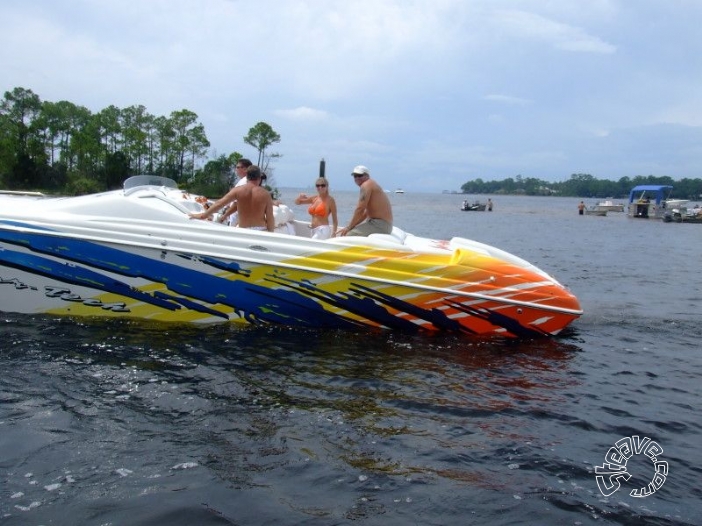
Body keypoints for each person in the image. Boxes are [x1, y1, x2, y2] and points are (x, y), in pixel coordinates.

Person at [190, 165, 274, 231]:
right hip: (260, 230)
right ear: (259, 178)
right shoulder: (265, 194)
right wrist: (271, 234)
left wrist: (203, 216)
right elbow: (270, 218)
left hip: (244, 230)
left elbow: (220, 203)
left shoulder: (237, 191)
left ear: (247, 177)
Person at [336, 165, 393, 237]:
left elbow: (360, 209)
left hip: (379, 225)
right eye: (355, 176)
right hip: (384, 225)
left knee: (347, 235)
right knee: (350, 229)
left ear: (367, 176)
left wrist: (348, 227)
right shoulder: (372, 184)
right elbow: (365, 213)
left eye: (360, 175)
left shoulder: (366, 185)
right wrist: (352, 225)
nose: (357, 178)